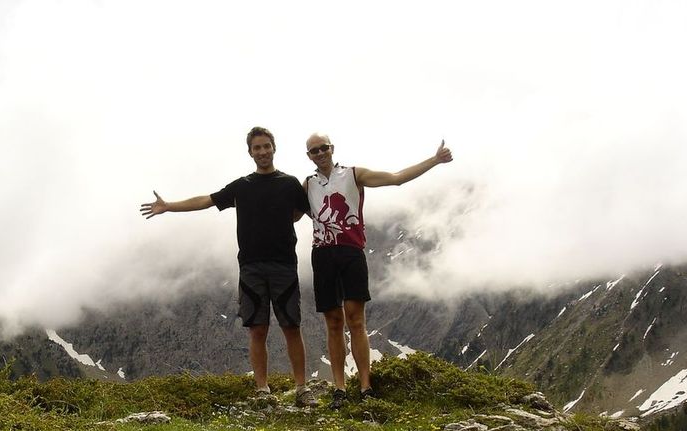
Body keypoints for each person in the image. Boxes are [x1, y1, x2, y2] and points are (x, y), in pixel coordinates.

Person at [140, 127, 317, 407]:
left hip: (284, 265)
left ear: (274, 148)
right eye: (256, 148)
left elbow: (300, 211)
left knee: (291, 326)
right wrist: (169, 206)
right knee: (257, 329)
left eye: (266, 146)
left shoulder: (290, 183)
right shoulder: (242, 186)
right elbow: (207, 200)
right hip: (250, 267)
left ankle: (302, 388)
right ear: (250, 152)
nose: (262, 151)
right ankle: (262, 390)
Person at [303, 133, 453, 409]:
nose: (320, 153)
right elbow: (284, 212)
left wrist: (434, 160)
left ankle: (365, 385)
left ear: (332, 148)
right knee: (333, 322)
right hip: (322, 255)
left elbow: (395, 178)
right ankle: (339, 388)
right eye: (314, 151)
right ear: (309, 156)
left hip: (351, 253)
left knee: (356, 320)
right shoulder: (308, 185)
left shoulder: (354, 175)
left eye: (323, 148)